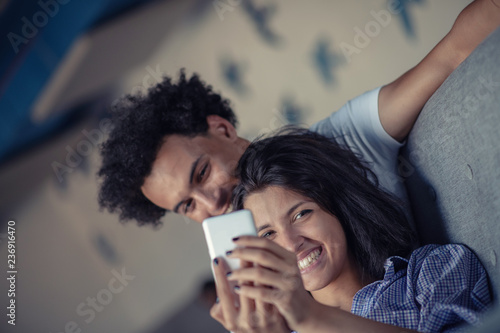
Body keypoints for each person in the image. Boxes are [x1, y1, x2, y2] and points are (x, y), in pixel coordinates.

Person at [98, 0, 500, 226]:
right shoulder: (246, 281)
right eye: (187, 206)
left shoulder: (342, 140)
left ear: (220, 129)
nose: (211, 202)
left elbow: (452, 54)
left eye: (201, 173)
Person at [210, 128, 492, 333]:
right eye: (268, 234)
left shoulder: (434, 272)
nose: (291, 243)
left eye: (301, 214)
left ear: (341, 206)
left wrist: (311, 317)